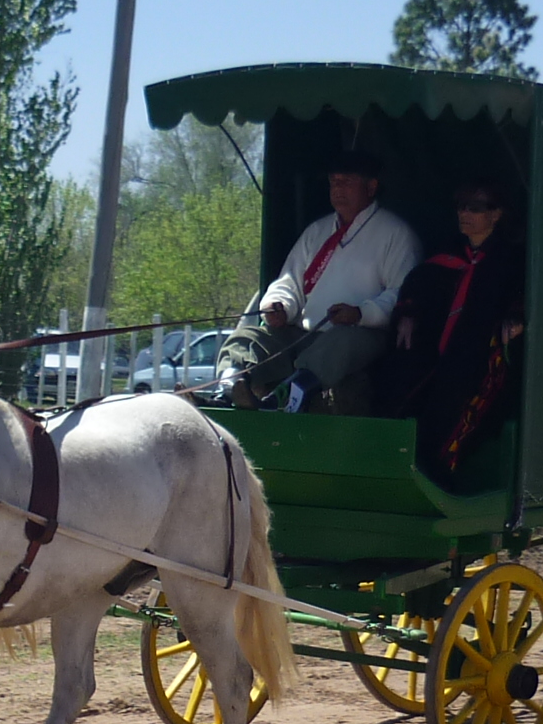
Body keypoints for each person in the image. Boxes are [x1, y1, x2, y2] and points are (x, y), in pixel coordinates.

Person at [213, 146, 422, 413]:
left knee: (342, 341)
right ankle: (229, 389)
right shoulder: (317, 231)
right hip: (304, 333)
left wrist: (360, 313)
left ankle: (286, 398)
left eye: (347, 182)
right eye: (334, 182)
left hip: (361, 335)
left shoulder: (396, 234)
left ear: (371, 187)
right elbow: (289, 281)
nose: (338, 189)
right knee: (249, 338)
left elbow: (401, 294)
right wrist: (280, 305)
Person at [374, 178, 525, 478]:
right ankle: (385, 467)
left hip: (480, 355)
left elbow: (523, 298)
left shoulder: (511, 261)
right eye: (461, 207)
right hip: (436, 352)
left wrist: (517, 319)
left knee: (453, 405)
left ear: (496, 214)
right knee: (394, 381)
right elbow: (415, 288)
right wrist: (408, 313)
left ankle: (438, 476)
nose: (464, 214)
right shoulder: (447, 255)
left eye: (476, 208)